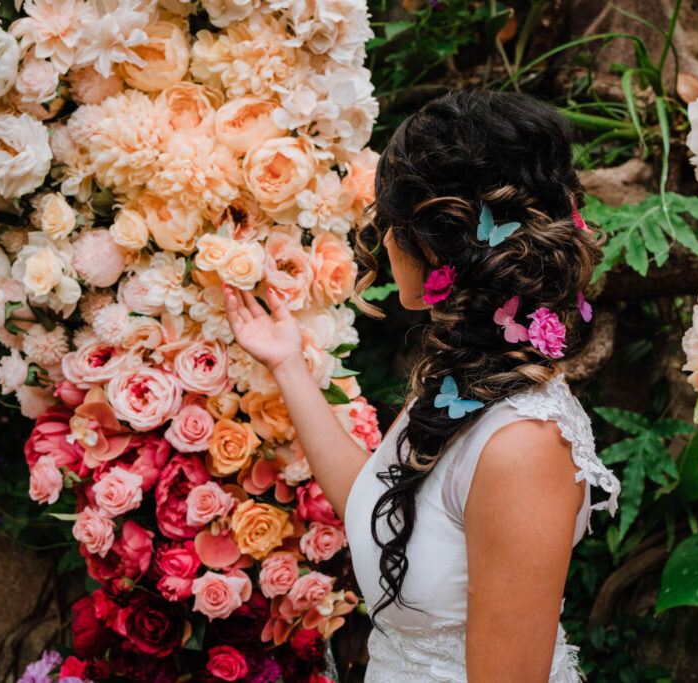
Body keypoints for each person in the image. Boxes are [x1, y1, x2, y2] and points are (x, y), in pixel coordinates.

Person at [224, 90, 621, 682]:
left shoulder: (524, 446)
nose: (382, 242)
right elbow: (381, 502)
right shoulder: (465, 379)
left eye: (391, 223)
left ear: (436, 242)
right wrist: (287, 367)